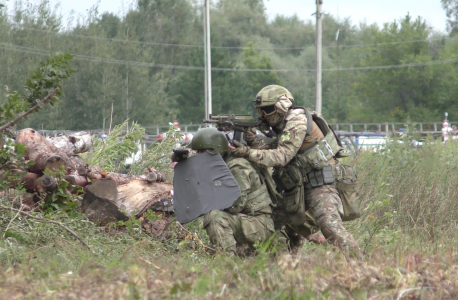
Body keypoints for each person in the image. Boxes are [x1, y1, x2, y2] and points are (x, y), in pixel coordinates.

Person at [229, 85, 361, 258]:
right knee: (269, 223)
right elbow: (276, 147)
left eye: (267, 110)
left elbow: (282, 156)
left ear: (281, 106)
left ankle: (359, 264)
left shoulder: (297, 120)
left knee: (330, 226)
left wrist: (248, 152)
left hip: (319, 184)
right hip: (295, 186)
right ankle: (272, 262)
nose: (263, 116)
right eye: (260, 111)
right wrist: (254, 141)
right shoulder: (282, 124)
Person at [172, 127, 275, 255]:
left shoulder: (237, 167)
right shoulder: (219, 166)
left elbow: (235, 205)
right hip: (248, 223)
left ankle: (226, 261)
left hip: (260, 224)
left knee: (215, 217)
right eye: (197, 152)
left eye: (202, 151)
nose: (199, 155)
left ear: (215, 150)